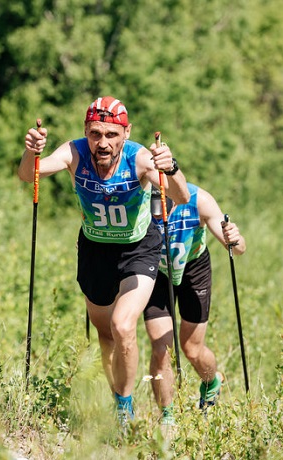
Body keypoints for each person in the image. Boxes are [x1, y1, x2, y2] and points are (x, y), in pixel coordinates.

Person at [18, 96, 190, 425]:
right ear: (86, 131)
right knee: (106, 335)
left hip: (138, 248)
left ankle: (125, 411)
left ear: (126, 133)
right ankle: (120, 398)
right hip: (95, 250)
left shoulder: (139, 159)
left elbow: (180, 197)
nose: (102, 143)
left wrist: (172, 167)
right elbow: (30, 175)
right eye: (96, 133)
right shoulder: (74, 152)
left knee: (123, 326)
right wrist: (32, 151)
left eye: (112, 135)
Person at [144, 183, 246, 424]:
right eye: (154, 207)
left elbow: (238, 249)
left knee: (191, 348)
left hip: (193, 270)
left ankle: (212, 382)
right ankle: (167, 417)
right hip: (155, 272)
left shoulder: (198, 200)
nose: (158, 214)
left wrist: (235, 238)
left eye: (164, 207)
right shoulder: (138, 196)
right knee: (161, 349)